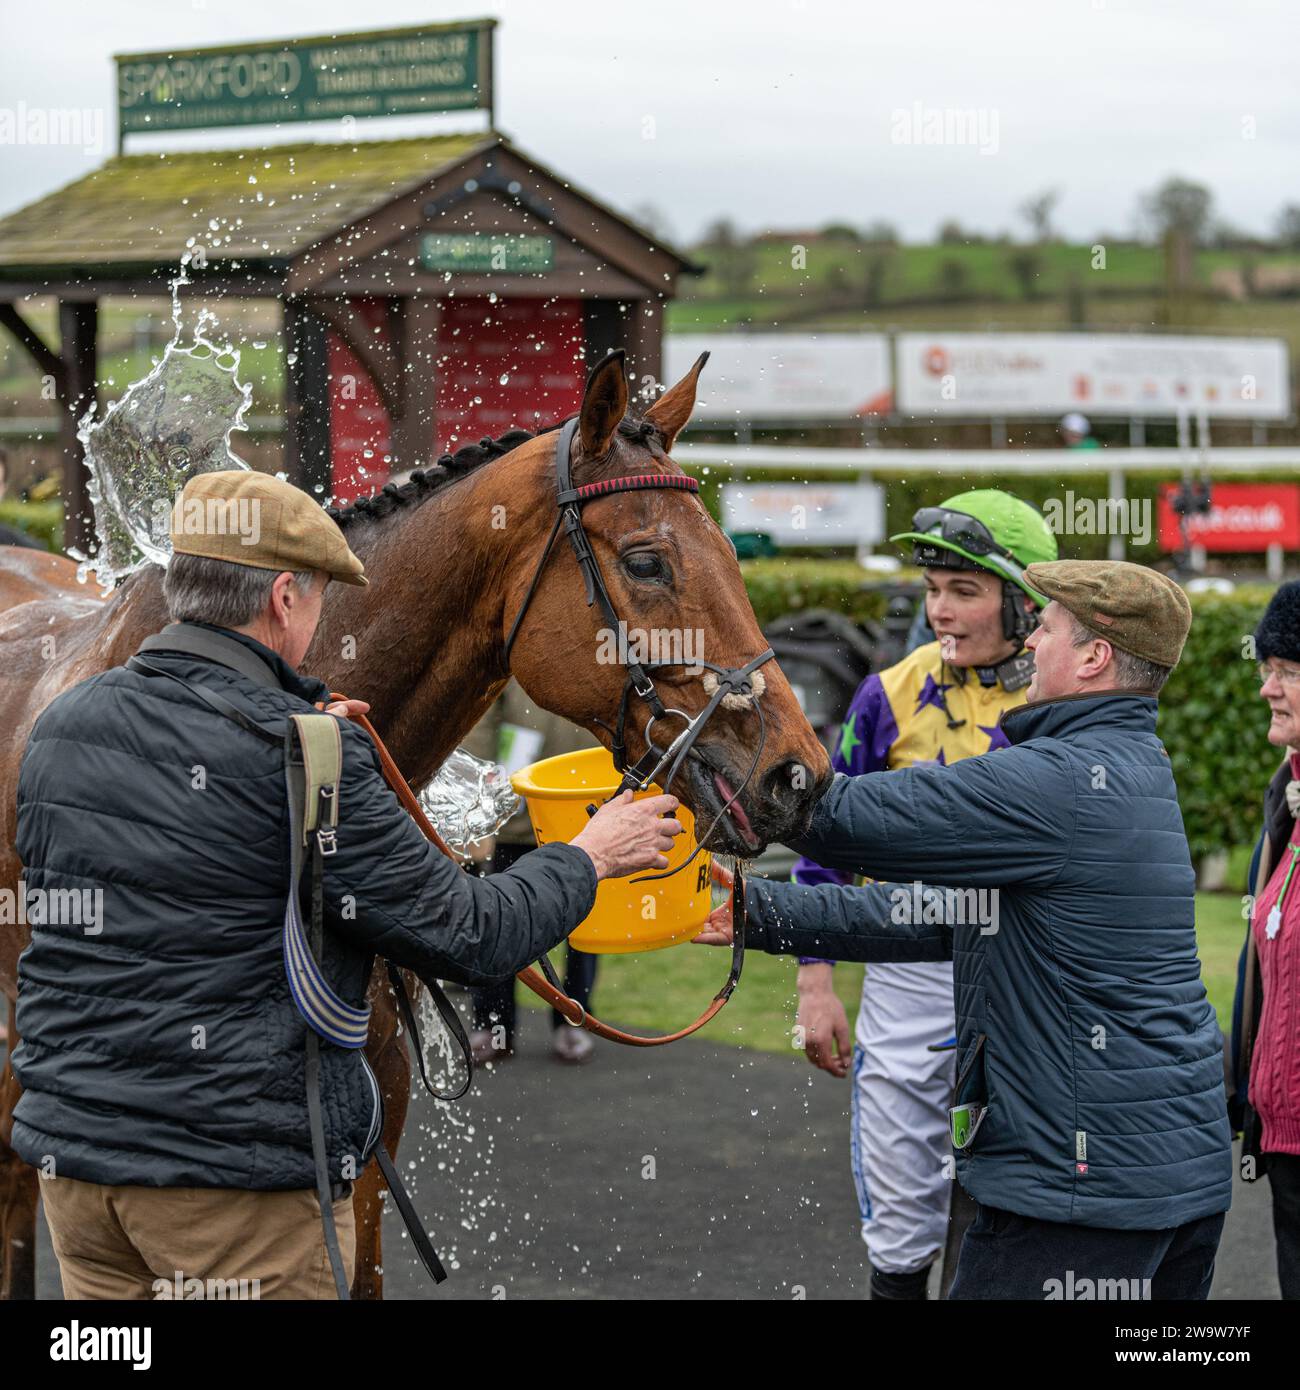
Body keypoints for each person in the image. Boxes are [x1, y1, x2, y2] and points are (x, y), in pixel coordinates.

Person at [11, 469, 681, 1300]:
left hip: (76, 1178)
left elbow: (170, 879)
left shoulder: (65, 724)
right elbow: (474, 936)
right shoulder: (312, 758)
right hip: (232, 1190)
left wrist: (299, 722)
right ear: (285, 598)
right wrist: (590, 855)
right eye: (322, 595)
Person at [700, 560, 1232, 1300]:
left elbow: (844, 818)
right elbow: (949, 916)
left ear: (1093, 656)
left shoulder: (1056, 778)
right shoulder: (1133, 763)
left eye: (1044, 630)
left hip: (1080, 1193)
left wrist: (716, 737)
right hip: (1172, 1176)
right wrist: (757, 912)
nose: (1030, 646)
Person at [792, 490, 1057, 1300]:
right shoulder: (887, 695)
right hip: (907, 978)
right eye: (934, 589)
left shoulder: (1067, 701)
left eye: (964, 592)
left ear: (1026, 601)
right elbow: (825, 840)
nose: (940, 611)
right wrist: (815, 982)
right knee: (902, 1217)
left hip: (1029, 980)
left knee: (1015, 1212)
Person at [462, 679, 601, 1065]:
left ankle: (574, 1022)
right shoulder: (521, 634)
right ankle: (493, 1026)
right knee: (499, 922)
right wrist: (481, 802)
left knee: (584, 932)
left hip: (582, 817)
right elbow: (482, 719)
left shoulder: (608, 641)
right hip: (515, 821)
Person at [1232, 580, 1300, 1299]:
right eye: (1265, 669)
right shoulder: (1285, 802)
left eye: (1285, 672)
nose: (1267, 690)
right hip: (1285, 1149)